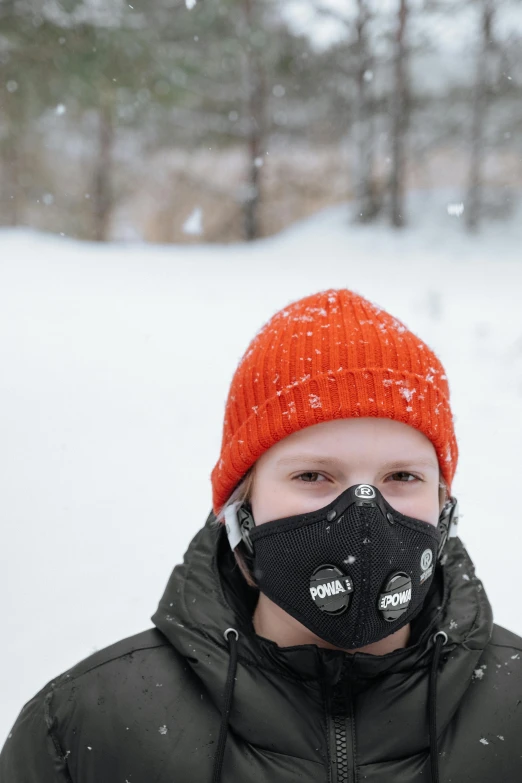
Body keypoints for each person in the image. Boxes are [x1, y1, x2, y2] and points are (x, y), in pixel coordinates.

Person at [1, 288, 521, 783]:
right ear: (240, 506)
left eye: (402, 477)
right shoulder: (88, 727)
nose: (365, 514)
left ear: (442, 503)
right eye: (313, 476)